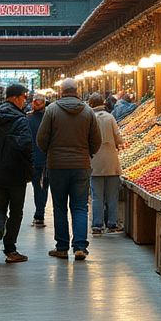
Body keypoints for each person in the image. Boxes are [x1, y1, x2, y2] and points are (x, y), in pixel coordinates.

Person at [36, 77, 100, 262]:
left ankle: (62, 247)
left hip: (57, 166)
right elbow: (96, 140)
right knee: (80, 206)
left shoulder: (52, 110)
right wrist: (86, 153)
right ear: (77, 91)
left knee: (59, 207)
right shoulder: (88, 111)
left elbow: (41, 138)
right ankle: (80, 247)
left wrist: (50, 152)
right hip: (81, 165)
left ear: (61, 92)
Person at [0, 82, 33, 262]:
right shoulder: (21, 120)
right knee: (16, 212)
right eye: (24, 97)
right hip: (16, 174)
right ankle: (10, 250)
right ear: (16, 97)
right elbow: (26, 146)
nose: (25, 101)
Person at [87, 92, 125, 235]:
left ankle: (97, 225)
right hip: (111, 161)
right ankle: (112, 224)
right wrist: (120, 143)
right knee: (112, 195)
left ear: (90, 104)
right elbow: (118, 137)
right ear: (103, 103)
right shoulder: (110, 117)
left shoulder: (89, 118)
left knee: (97, 196)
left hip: (94, 161)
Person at [25, 91, 49, 227]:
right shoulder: (49, 119)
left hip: (33, 158)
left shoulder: (28, 119)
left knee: (36, 186)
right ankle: (40, 213)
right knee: (45, 186)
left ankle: (39, 213)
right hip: (47, 158)